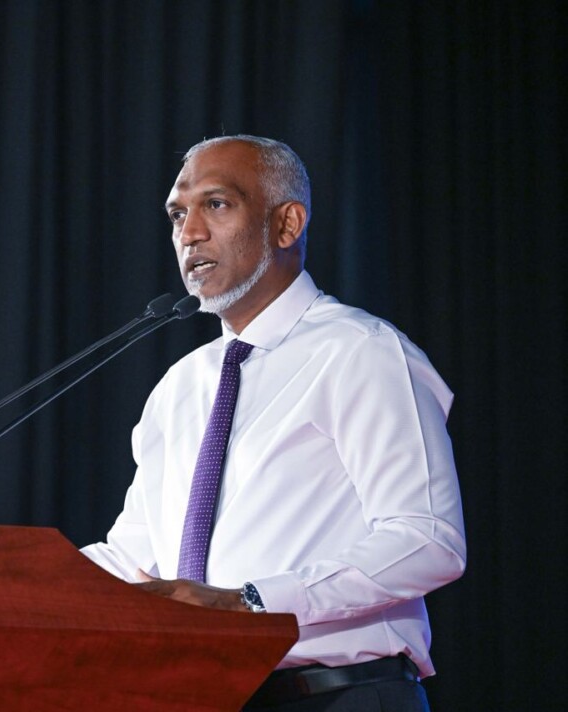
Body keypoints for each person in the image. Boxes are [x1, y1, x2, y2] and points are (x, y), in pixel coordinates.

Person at [81, 135, 466, 711]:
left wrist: (248, 602)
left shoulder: (361, 352)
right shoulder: (180, 387)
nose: (189, 234)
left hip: (337, 695)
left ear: (287, 224)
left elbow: (428, 540)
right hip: (207, 697)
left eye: (216, 204)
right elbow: (136, 558)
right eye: (178, 214)